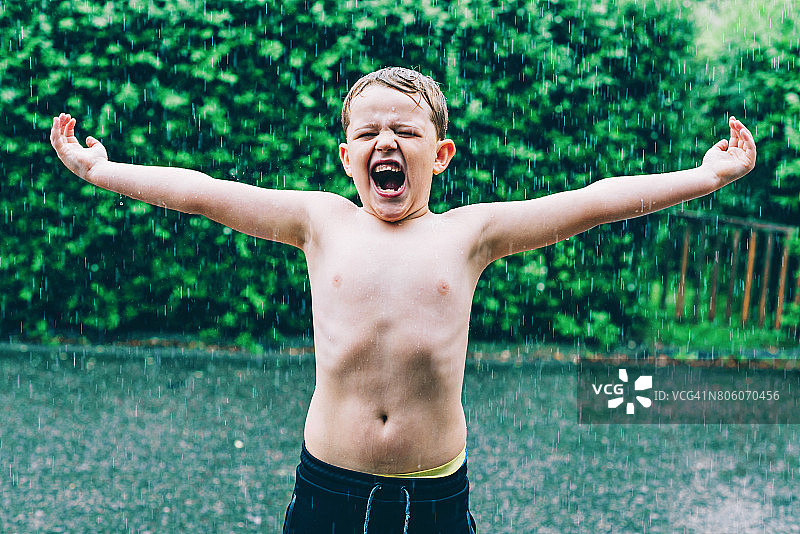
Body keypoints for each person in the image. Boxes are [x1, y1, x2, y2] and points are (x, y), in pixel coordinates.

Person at [49, 66, 756, 533]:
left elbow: (590, 204)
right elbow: (203, 193)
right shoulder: (318, 222)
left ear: (439, 155)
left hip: (434, 496)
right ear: (347, 156)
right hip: (327, 486)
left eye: (405, 131)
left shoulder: (471, 234)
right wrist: (104, 169)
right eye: (369, 133)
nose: (385, 141)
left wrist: (702, 177)